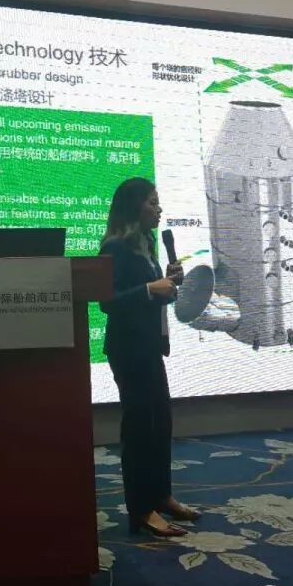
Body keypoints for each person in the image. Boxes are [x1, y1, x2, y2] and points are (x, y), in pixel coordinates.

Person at [99, 177, 199, 538]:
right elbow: (107, 301)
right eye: (152, 202)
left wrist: (168, 284)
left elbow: (155, 297)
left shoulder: (146, 243)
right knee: (139, 428)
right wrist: (148, 288)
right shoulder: (115, 248)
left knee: (160, 424)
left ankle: (161, 496)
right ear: (134, 207)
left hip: (149, 346)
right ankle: (141, 509)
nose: (159, 209)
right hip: (128, 349)